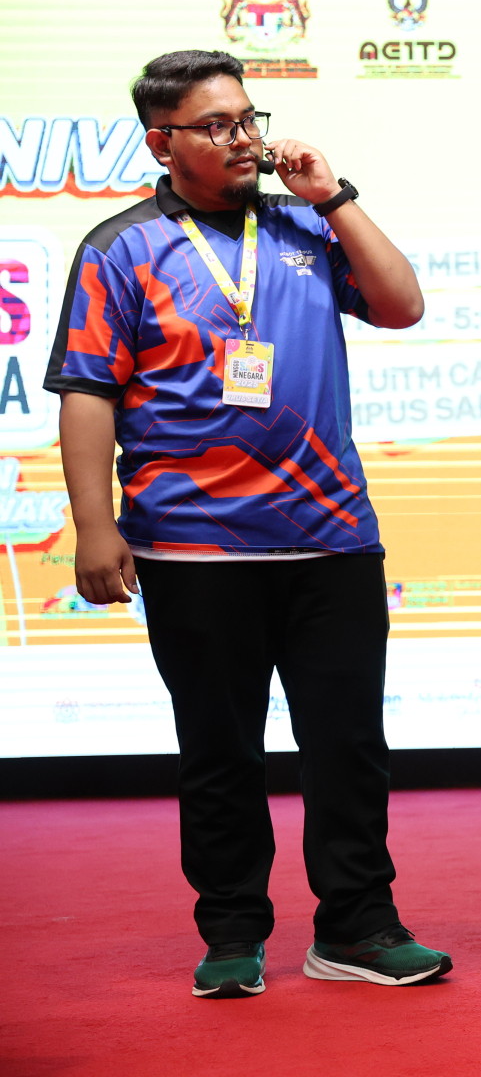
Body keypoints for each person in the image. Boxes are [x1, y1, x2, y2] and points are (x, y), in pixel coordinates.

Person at [46, 50, 449, 998]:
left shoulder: (305, 223)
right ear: (163, 143)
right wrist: (95, 527)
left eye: (248, 119)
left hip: (330, 535)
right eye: (217, 125)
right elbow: (88, 392)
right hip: (193, 544)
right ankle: (232, 931)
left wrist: (336, 196)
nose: (243, 139)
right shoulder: (121, 248)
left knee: (348, 747)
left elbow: (402, 305)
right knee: (219, 752)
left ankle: (357, 926)